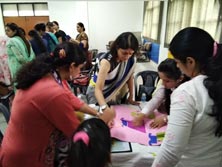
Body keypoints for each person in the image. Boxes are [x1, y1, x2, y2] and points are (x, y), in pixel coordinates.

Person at [0, 42, 114, 166]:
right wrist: (102, 121)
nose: (80, 71)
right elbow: (77, 132)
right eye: (80, 68)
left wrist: (97, 113)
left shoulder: (51, 75)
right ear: (71, 66)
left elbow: (71, 99)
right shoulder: (53, 92)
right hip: (25, 158)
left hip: (19, 145)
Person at [151, 27, 222, 167]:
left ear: (190, 61)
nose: (177, 65)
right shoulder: (216, 83)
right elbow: (203, 117)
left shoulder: (188, 92)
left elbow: (171, 151)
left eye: (177, 61)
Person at [86, 32, 139, 114]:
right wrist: (104, 108)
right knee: (101, 119)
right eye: (124, 53)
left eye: (131, 53)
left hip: (113, 94)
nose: (127, 56)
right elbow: (98, 89)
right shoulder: (106, 62)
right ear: (117, 47)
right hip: (97, 94)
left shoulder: (131, 60)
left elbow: (129, 77)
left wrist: (131, 97)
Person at [133, 58, 188, 128]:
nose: (163, 84)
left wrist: (166, 118)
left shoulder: (187, 90)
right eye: (161, 79)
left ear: (180, 78)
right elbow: (156, 99)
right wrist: (143, 114)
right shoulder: (166, 86)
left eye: (167, 81)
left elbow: (185, 114)